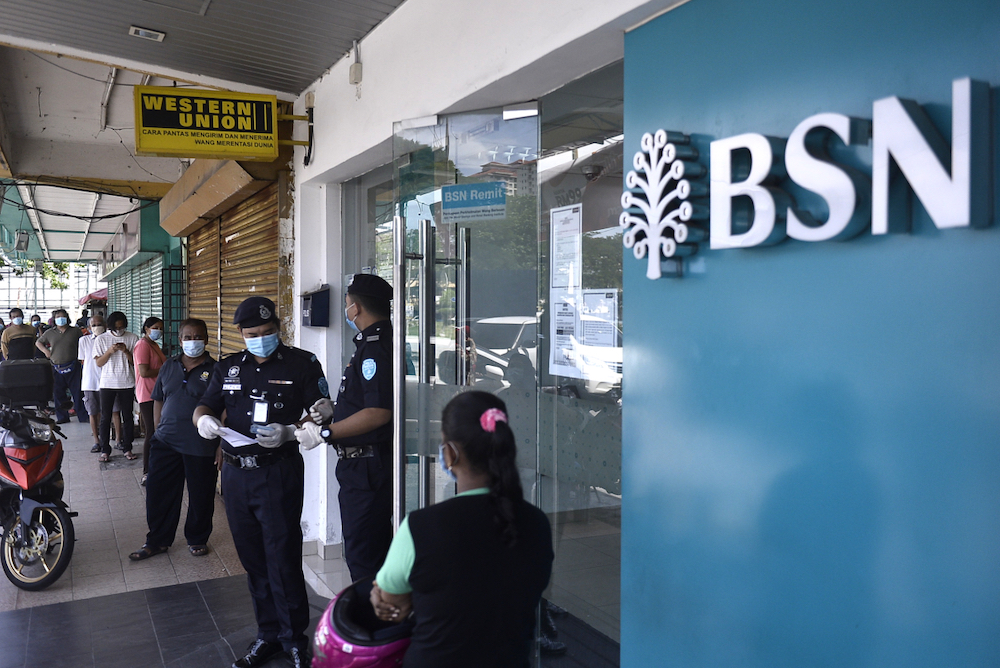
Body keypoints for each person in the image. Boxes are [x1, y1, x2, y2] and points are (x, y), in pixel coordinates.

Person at [368, 391, 554, 668]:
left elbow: (389, 603)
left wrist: (394, 598)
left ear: (450, 453)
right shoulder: (537, 523)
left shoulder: (420, 528)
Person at [193, 296, 328, 668]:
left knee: (282, 557)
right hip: (237, 474)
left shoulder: (302, 363)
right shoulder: (229, 368)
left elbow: (321, 409)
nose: (261, 339)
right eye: (253, 334)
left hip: (278, 471)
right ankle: (267, 635)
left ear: (278, 329)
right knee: (253, 560)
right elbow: (205, 405)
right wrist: (203, 421)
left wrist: (292, 431)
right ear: (241, 333)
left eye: (269, 332)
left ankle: (295, 639)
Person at [295, 273, 393, 583]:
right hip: (361, 465)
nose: (347, 310)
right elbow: (365, 402)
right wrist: (332, 411)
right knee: (368, 548)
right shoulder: (370, 343)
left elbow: (378, 413)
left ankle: (372, 624)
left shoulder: (375, 348)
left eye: (348, 304)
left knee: (363, 555)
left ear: (357, 308)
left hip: (366, 465)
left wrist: (326, 433)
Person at [129, 319, 220, 561]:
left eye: (198, 337)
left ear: (207, 339)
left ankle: (198, 538)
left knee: (201, 495)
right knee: (159, 494)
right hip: (165, 443)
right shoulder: (169, 366)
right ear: (180, 341)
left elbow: (225, 410)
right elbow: (158, 398)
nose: (193, 341)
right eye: (187, 337)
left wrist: (221, 445)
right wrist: (158, 431)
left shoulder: (216, 370)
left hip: (201, 444)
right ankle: (157, 540)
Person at [94, 311, 139, 462]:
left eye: (121, 327)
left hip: (127, 382)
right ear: (110, 326)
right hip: (107, 383)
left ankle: (127, 447)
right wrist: (109, 351)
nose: (119, 330)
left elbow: (135, 363)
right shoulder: (101, 339)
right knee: (105, 417)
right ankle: (105, 449)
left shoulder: (132, 338)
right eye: (116, 327)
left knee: (128, 416)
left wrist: (126, 351)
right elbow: (99, 363)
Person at [35, 308, 88, 425]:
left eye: (62, 316)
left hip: (74, 365)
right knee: (59, 393)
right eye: (58, 317)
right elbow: (38, 342)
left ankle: (82, 415)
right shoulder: (50, 333)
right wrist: (45, 351)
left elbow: (83, 342)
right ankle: (63, 416)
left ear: (67, 318)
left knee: (78, 392)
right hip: (56, 366)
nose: (60, 319)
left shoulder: (75, 331)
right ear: (54, 319)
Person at [79, 313, 121, 453]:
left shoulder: (110, 339)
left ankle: (118, 440)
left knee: (115, 411)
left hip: (109, 380)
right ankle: (97, 441)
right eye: (94, 325)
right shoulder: (84, 341)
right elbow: (83, 361)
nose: (97, 327)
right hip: (90, 381)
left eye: (99, 324)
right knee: (93, 412)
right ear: (89, 327)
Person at [134, 316, 166, 485]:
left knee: (159, 431)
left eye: (160, 328)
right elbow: (144, 372)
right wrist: (166, 368)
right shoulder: (142, 345)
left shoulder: (154, 345)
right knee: (151, 432)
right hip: (147, 394)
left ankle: (158, 466)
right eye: (155, 327)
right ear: (146, 328)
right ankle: (147, 471)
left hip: (158, 393)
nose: (158, 331)